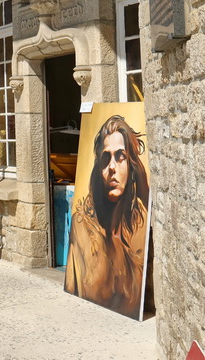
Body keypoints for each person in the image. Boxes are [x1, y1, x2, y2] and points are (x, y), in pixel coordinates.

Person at [64, 114, 149, 318]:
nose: (112, 167)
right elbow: (73, 286)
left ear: (132, 166)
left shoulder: (140, 226)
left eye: (120, 157)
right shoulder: (82, 227)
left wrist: (144, 189)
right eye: (106, 158)